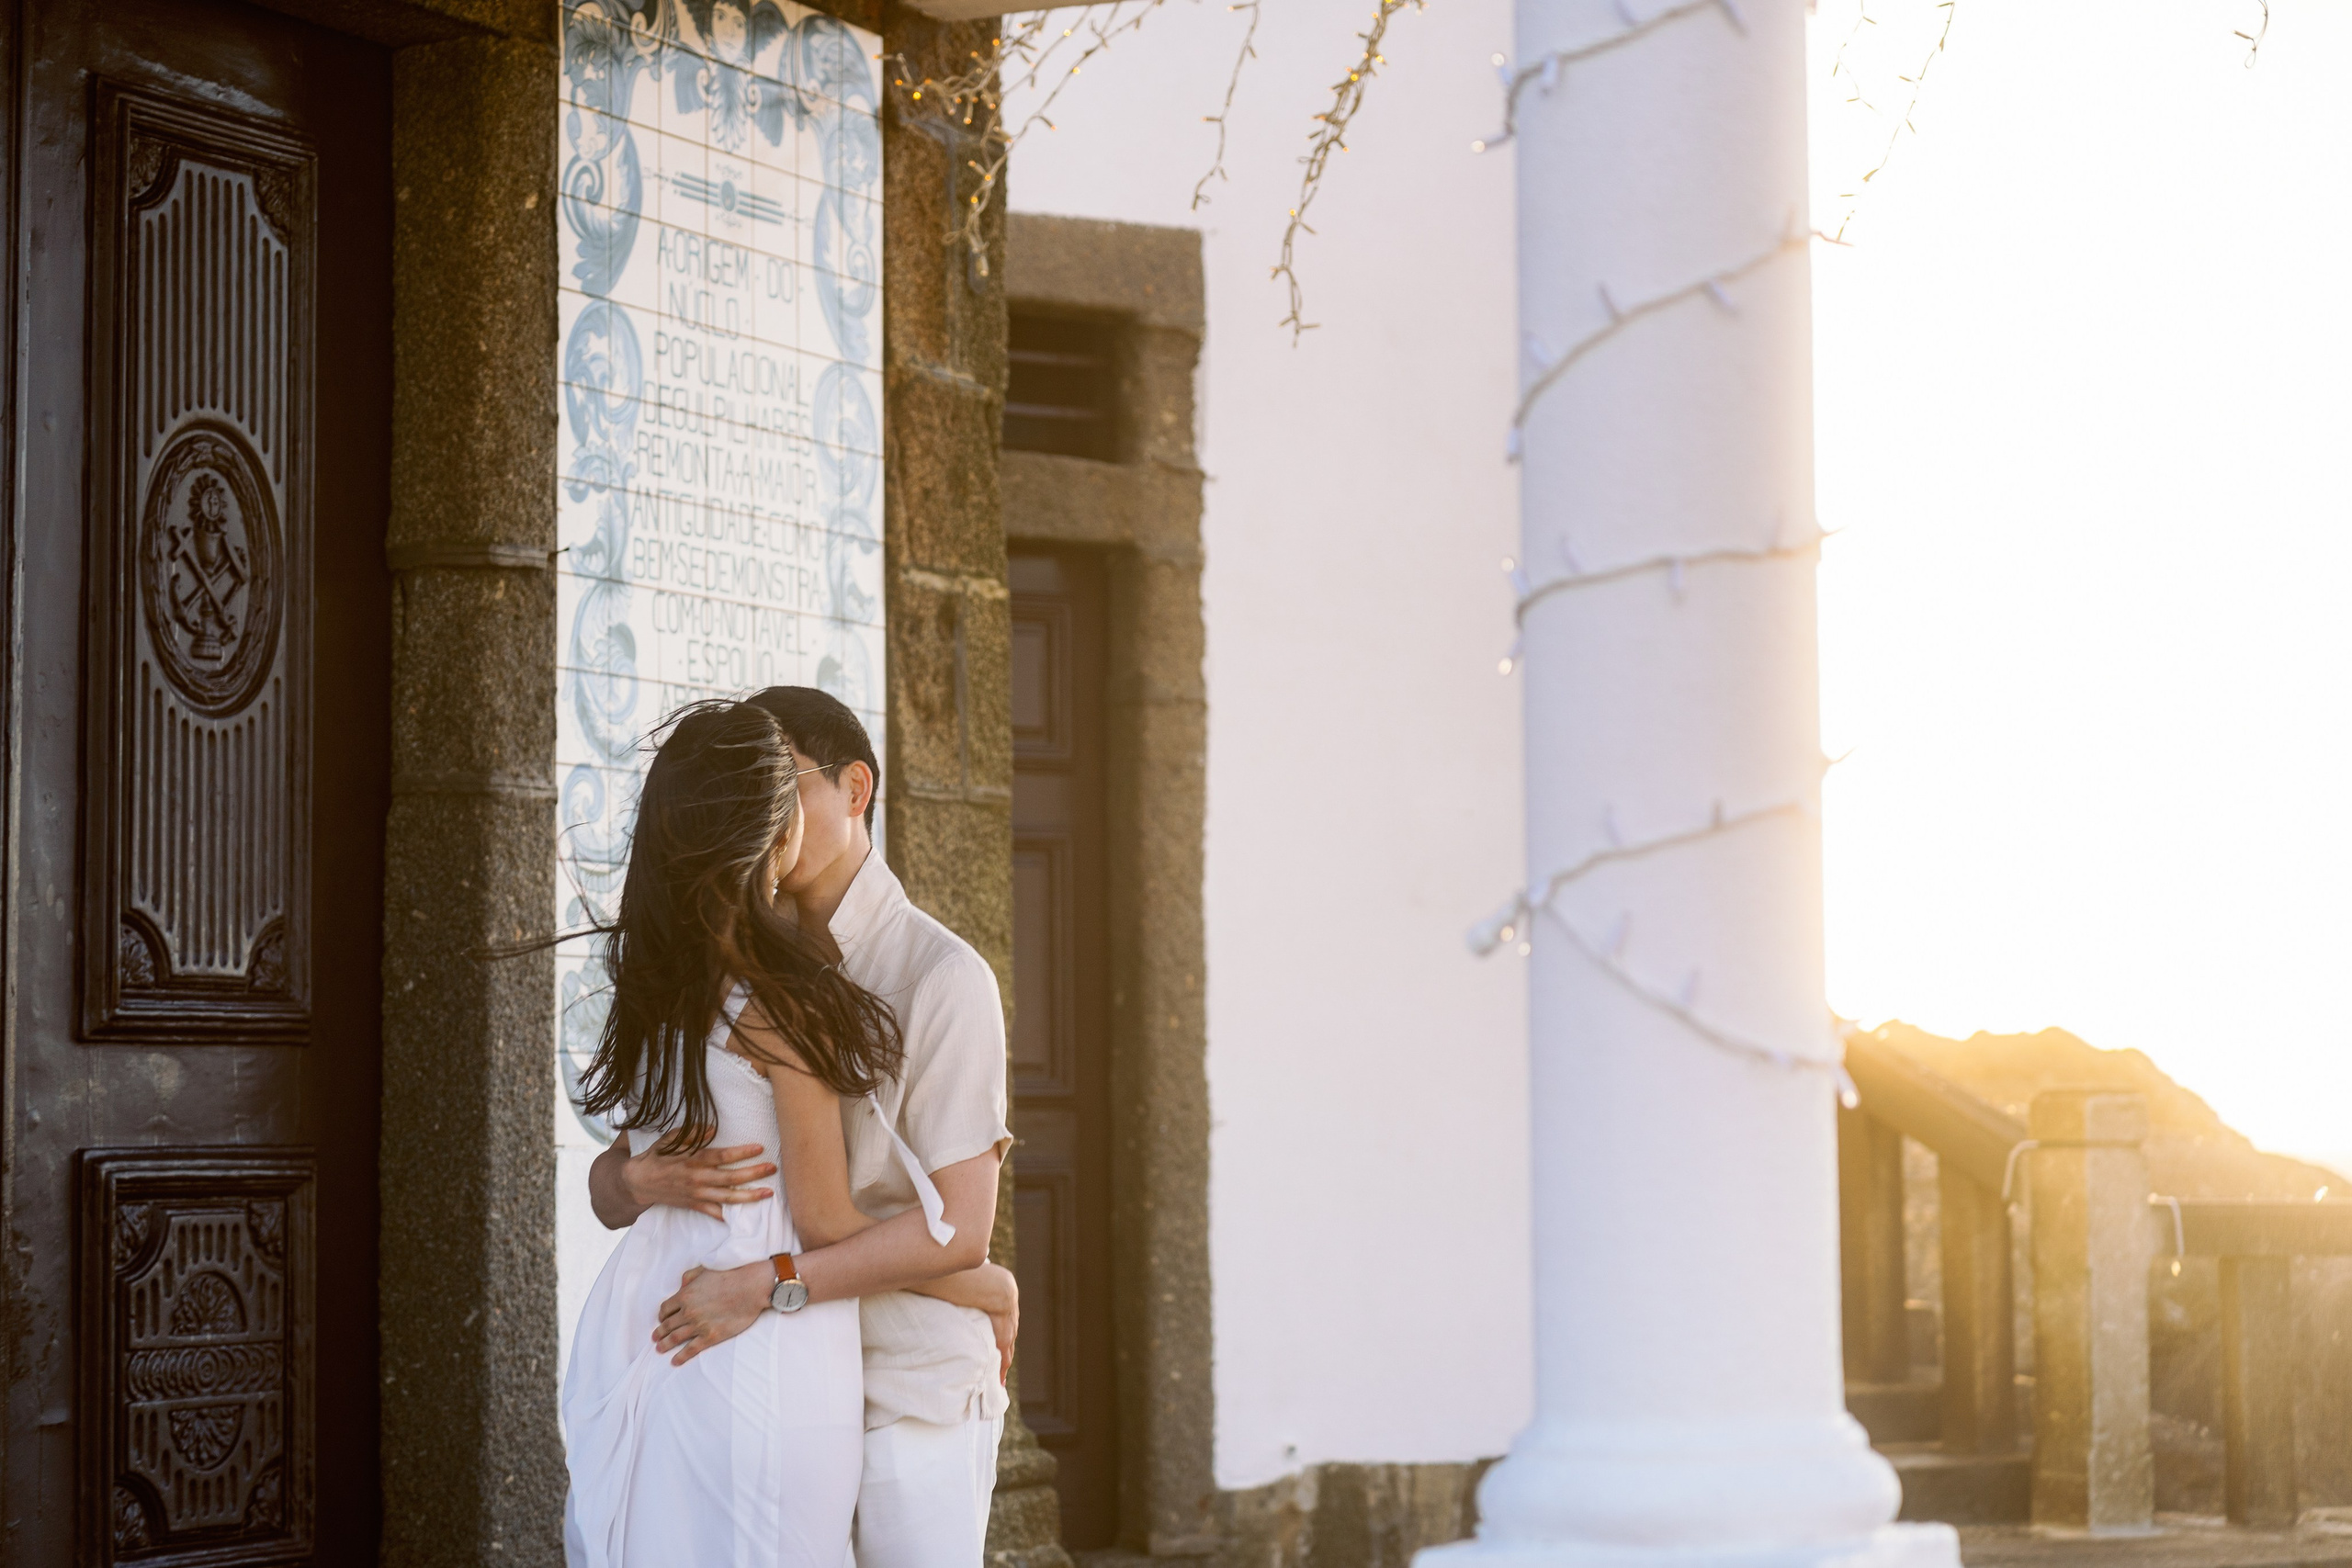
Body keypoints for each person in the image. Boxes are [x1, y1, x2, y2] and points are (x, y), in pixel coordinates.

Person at [560, 699, 1006, 1568]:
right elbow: (616, 1180)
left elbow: (962, 1225)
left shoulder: (943, 976)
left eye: (781, 775)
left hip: (905, 1379)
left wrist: (976, 1283)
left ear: (855, 789)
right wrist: (641, 1182)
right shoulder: (719, 978)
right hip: (748, 1348)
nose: (774, 804)